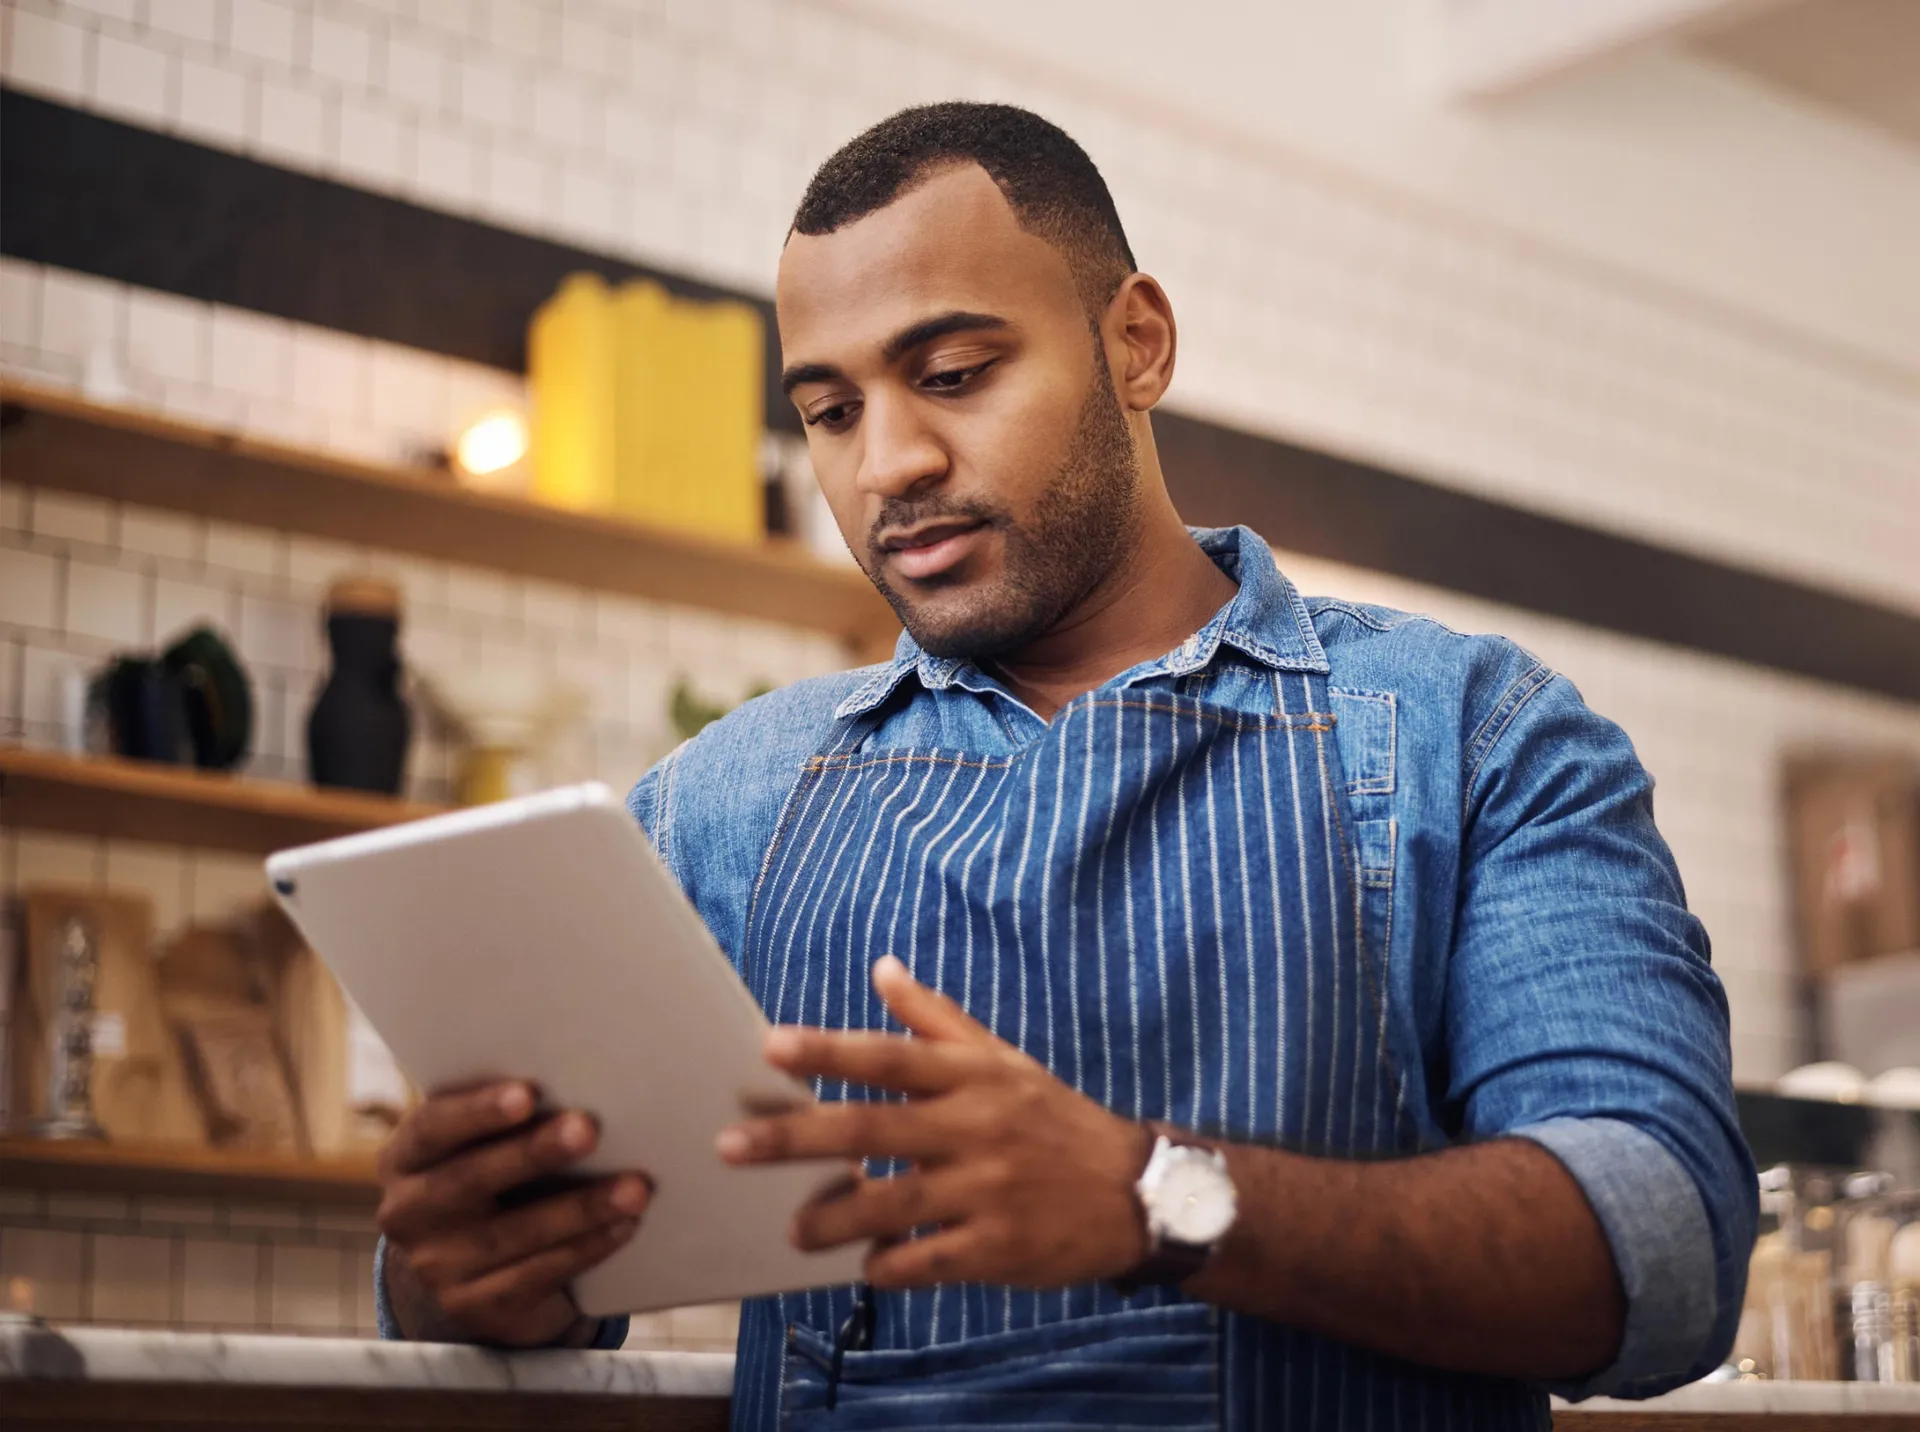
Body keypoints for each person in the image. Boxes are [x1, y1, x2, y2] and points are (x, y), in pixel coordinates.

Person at [372, 102, 1755, 1428]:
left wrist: (1155, 1198)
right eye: (832, 411)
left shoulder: (1475, 733)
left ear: (1135, 344)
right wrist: (455, 1277)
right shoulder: (718, 808)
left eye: (954, 376)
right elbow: (538, 1299)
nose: (891, 464)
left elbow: (1665, 1247)